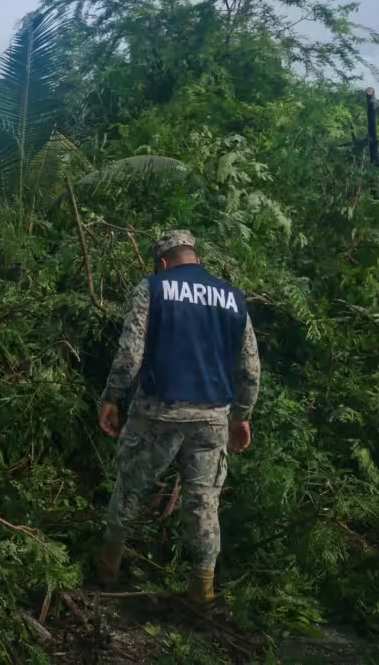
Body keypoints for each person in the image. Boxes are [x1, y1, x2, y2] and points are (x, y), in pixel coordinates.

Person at [96, 229, 260, 609]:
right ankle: (202, 588)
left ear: (163, 262)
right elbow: (250, 368)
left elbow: (130, 355)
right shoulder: (232, 297)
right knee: (204, 502)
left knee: (130, 487)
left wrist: (111, 397)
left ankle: (107, 571)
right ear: (196, 258)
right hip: (212, 418)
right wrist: (242, 416)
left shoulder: (153, 288)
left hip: (157, 411)